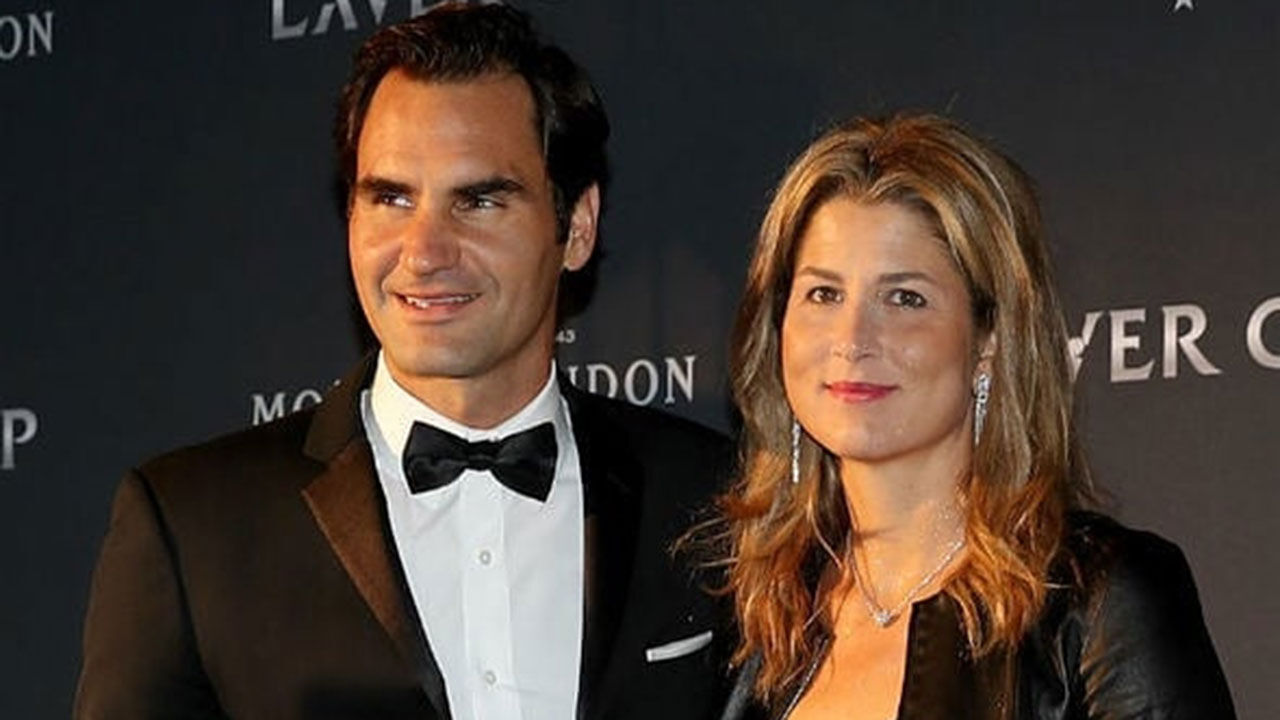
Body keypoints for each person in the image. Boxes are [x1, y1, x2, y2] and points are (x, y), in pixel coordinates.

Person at [75, 4, 730, 719]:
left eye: (477, 201)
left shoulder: (714, 499)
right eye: (390, 198)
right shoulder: (192, 525)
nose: (423, 252)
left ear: (576, 227)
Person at [713, 113, 1236, 719]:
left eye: (904, 298)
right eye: (823, 294)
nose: (851, 339)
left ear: (988, 338)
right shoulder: (762, 618)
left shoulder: (1098, 606)